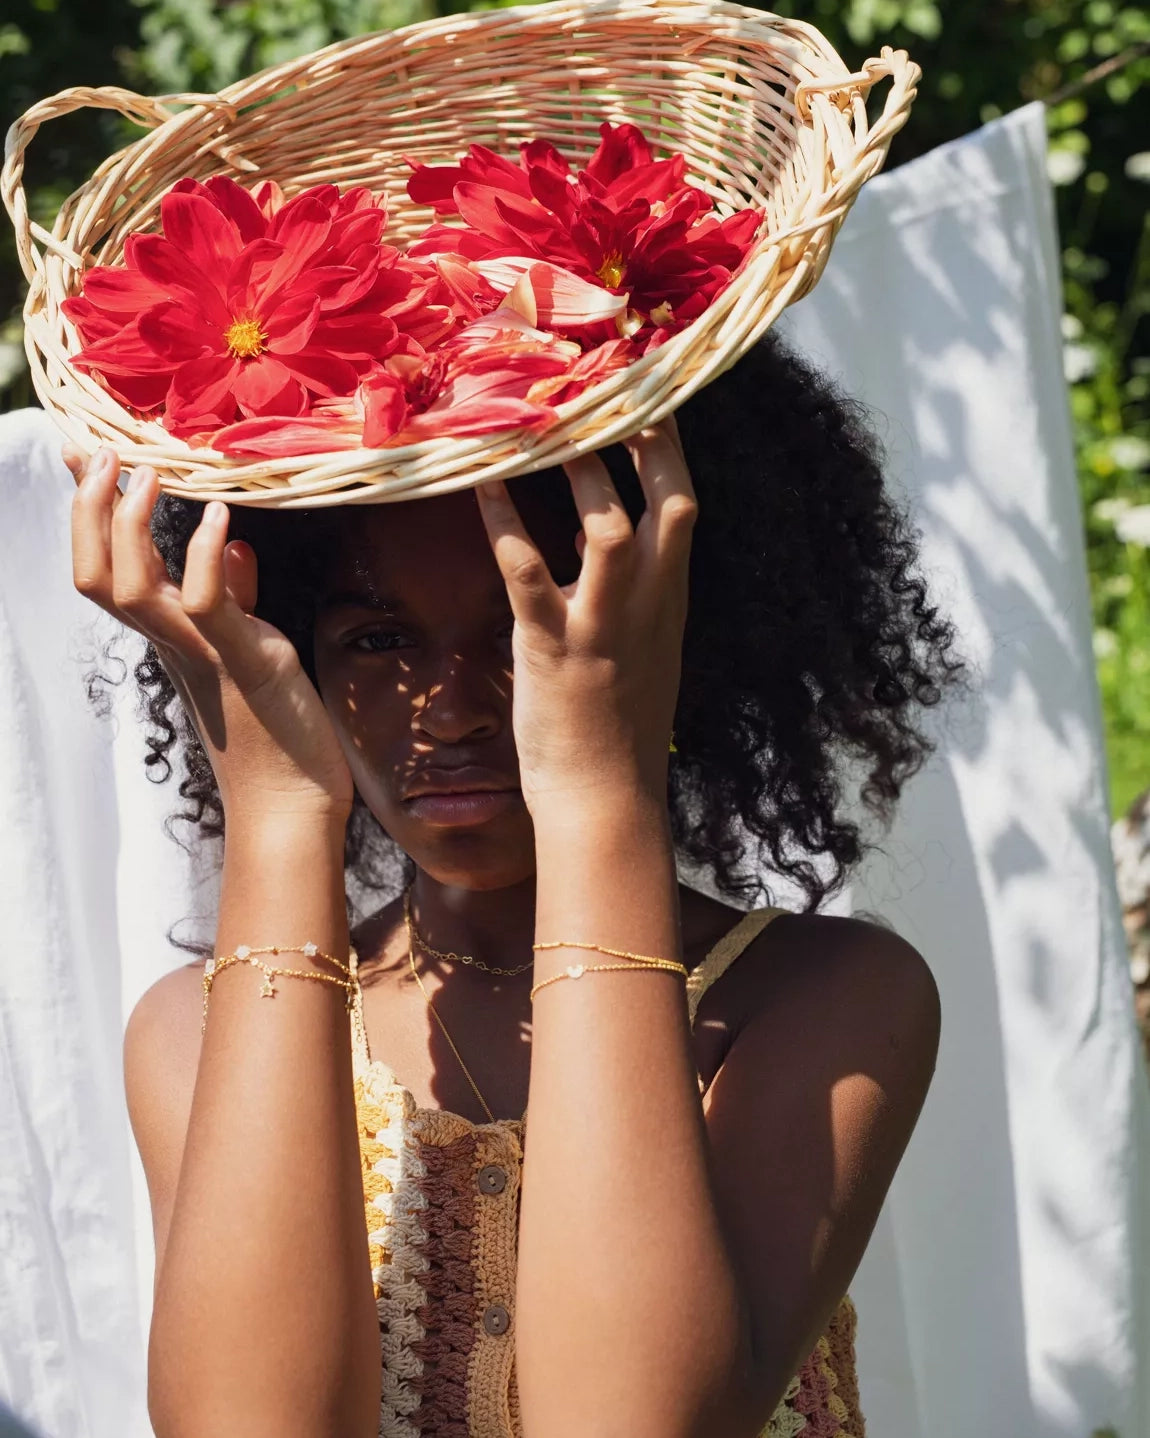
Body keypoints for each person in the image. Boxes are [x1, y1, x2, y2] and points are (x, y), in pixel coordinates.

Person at [65, 333, 957, 1438]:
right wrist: (280, 810)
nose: (449, 708)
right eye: (376, 635)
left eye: (525, 622)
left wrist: (599, 790)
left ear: (676, 633)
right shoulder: (196, 1037)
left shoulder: (821, 1002)